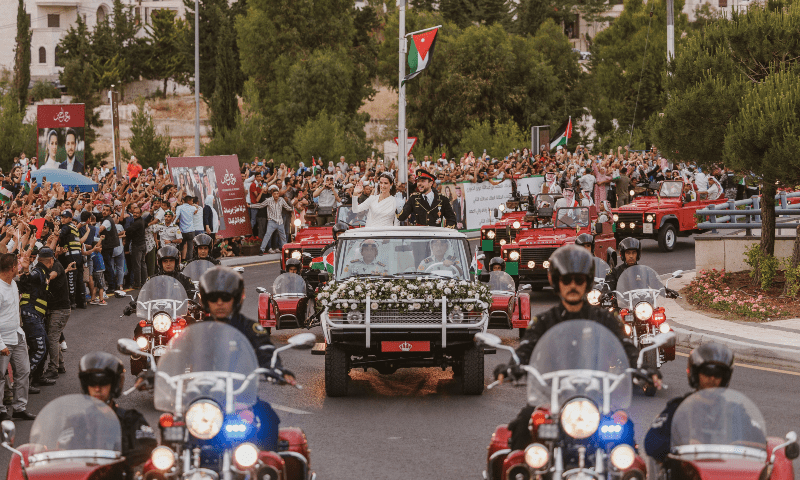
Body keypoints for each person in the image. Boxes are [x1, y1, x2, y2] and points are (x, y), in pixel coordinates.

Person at [493, 245, 659, 451]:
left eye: (579, 280)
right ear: (556, 282)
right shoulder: (544, 320)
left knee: (626, 435)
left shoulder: (605, 319)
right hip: (553, 396)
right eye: (566, 280)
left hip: (597, 396)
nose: (572, 285)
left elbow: (627, 347)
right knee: (522, 427)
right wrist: (512, 367)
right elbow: (526, 347)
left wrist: (643, 368)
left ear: (587, 282)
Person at [197, 267, 292, 451]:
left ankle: (268, 465)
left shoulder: (250, 328)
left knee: (267, 417)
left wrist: (275, 369)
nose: (219, 303)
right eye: (213, 299)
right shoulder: (197, 332)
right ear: (206, 301)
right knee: (176, 426)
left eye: (225, 298)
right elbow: (178, 355)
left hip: (241, 396)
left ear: (236, 298)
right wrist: (156, 373)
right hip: (204, 399)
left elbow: (266, 350)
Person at [644, 343, 735, 462]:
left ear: (724, 378)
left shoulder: (734, 411)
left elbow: (757, 441)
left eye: (718, 374)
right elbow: (651, 443)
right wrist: (682, 444)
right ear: (696, 374)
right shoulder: (678, 408)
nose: (712, 378)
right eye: (707, 372)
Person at [78, 352, 157, 467]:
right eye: (92, 382)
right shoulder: (77, 422)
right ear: (86, 385)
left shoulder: (131, 420)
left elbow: (148, 451)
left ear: (114, 384)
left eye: (103, 382)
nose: (97, 388)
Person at [0, 253, 35, 421]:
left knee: (24, 371)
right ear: (12, 268)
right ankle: (1, 411)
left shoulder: (13, 283)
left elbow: (29, 285)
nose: (19, 268)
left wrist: (27, 269)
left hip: (17, 335)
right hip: (3, 340)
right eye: (18, 266)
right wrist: (0, 344)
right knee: (0, 376)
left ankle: (19, 407)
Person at [18, 248, 60, 388]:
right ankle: (24, 382)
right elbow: (29, 278)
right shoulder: (38, 271)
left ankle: (38, 377)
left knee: (45, 345)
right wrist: (25, 271)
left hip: (36, 315)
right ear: (51, 260)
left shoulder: (43, 272)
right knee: (40, 347)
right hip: (31, 314)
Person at [58, 211, 87, 308]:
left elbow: (60, 236)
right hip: (78, 256)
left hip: (71, 256)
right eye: (62, 217)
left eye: (65, 217)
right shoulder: (74, 227)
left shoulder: (66, 227)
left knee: (71, 278)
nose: (63, 219)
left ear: (70, 218)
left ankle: (72, 301)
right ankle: (82, 301)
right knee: (79, 279)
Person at [259, 185, 293, 254]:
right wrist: (250, 206)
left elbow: (287, 207)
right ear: (272, 194)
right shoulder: (269, 200)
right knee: (267, 235)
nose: (276, 195)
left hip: (280, 221)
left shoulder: (281, 200)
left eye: (277, 194)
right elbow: (260, 205)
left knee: (283, 236)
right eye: (275, 194)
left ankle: (286, 250)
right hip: (271, 221)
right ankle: (261, 250)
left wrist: (292, 209)